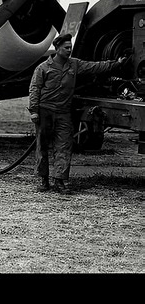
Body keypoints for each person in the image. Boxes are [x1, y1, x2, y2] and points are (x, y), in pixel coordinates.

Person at [28, 33, 128, 194]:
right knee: (43, 146)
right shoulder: (43, 68)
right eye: (66, 48)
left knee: (64, 146)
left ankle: (59, 180)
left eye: (70, 47)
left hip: (63, 112)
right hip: (45, 111)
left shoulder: (74, 64)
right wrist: (33, 111)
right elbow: (34, 89)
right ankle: (43, 179)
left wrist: (115, 64)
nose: (69, 50)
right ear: (57, 48)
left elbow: (94, 66)